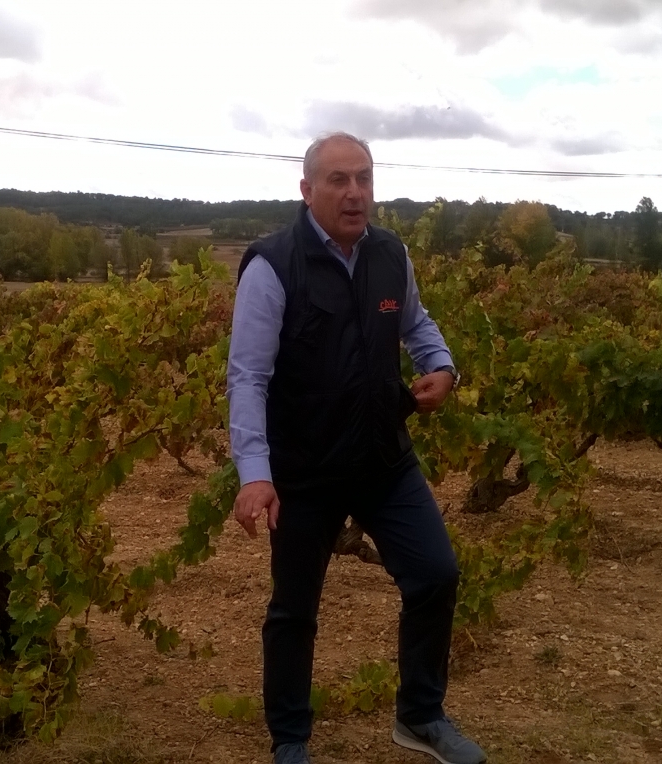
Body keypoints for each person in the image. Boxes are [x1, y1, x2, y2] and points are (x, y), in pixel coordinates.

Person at [226, 132, 487, 764]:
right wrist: (255, 474)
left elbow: (416, 323)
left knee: (435, 575)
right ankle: (290, 740)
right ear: (307, 189)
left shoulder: (390, 255)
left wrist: (441, 365)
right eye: (339, 180)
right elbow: (248, 376)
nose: (354, 193)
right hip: (304, 472)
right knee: (295, 610)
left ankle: (420, 716)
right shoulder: (272, 265)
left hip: (382, 459)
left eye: (364, 178)